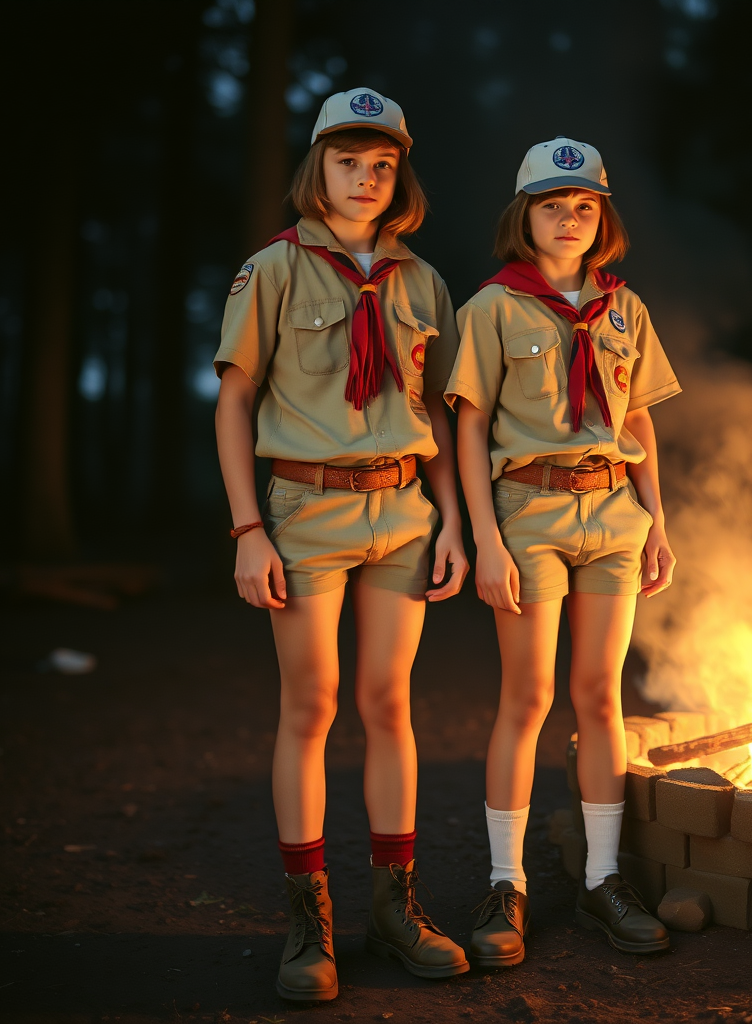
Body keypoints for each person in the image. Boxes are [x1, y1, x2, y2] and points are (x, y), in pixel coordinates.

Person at [214, 87, 470, 1002]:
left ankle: (395, 910)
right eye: (347, 160)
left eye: (383, 164)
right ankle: (307, 926)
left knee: (388, 703)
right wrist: (250, 530)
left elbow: (436, 408)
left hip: (402, 512)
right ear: (314, 168)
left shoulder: (422, 281)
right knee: (311, 705)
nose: (365, 178)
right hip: (306, 511)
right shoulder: (272, 271)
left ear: (398, 176)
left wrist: (455, 524)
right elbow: (235, 402)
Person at [446, 137, 681, 965]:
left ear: (601, 218)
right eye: (553, 205)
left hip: (614, 514)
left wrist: (657, 518)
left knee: (600, 695)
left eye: (585, 206)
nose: (570, 218)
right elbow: (469, 427)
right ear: (525, 215)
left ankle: (603, 883)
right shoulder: (492, 309)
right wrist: (486, 539)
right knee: (529, 696)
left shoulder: (625, 310)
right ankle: (506, 886)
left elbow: (640, 418)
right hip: (530, 513)